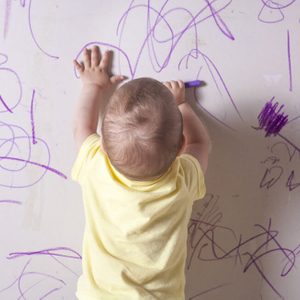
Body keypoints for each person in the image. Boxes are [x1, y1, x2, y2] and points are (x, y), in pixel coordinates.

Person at [71, 45, 211, 300]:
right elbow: (200, 144)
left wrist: (92, 86)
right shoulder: (181, 182)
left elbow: (82, 127)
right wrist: (181, 104)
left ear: (102, 144)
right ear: (180, 146)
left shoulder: (95, 166)